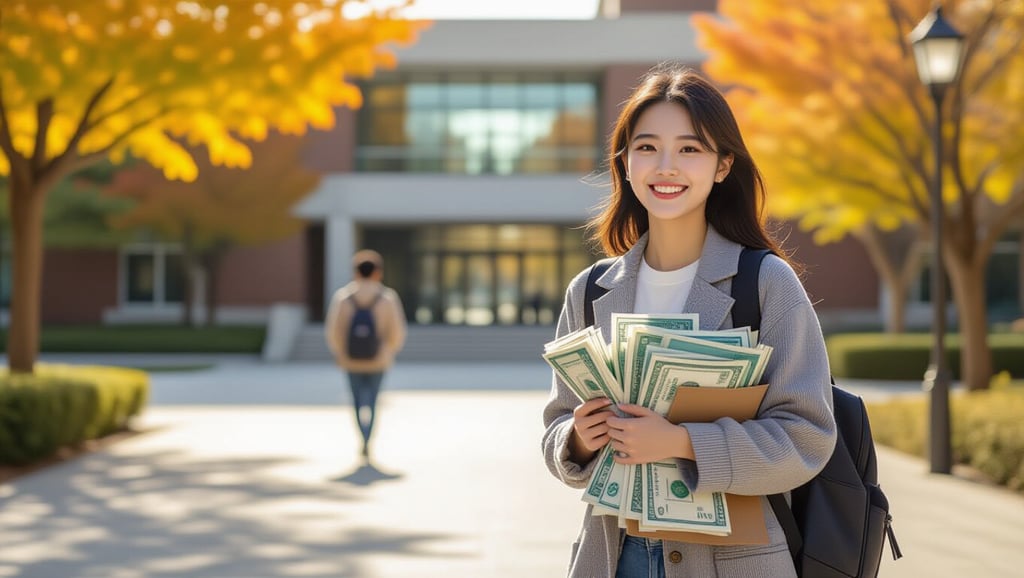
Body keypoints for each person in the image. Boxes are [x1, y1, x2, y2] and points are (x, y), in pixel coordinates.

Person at [541, 64, 837, 578]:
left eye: (690, 149)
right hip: (614, 556)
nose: (666, 166)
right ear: (626, 163)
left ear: (723, 165)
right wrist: (579, 439)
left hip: (733, 561)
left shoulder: (766, 283)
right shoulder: (590, 291)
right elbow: (557, 425)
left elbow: (807, 438)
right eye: (648, 147)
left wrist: (681, 443)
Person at [326, 249, 407, 461]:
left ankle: (361, 437)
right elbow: (397, 331)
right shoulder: (387, 298)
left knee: (355, 401)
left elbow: (334, 330)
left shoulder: (344, 298)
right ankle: (368, 439)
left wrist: (340, 352)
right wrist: (389, 350)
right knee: (372, 401)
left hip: (350, 360)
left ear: (356, 272)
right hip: (378, 360)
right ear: (378, 272)